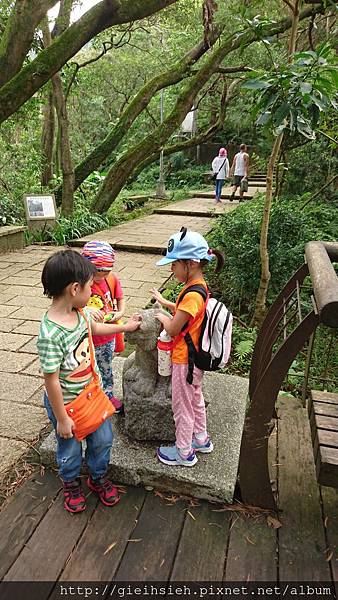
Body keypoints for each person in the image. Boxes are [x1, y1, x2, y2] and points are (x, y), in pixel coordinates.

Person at [37, 249, 141, 513]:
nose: (92, 292)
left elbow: (94, 329)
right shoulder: (51, 333)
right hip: (68, 404)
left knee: (103, 438)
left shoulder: (80, 313)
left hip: (92, 394)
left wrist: (124, 328)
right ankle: (71, 481)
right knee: (69, 447)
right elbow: (50, 381)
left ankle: (97, 476)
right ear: (74, 288)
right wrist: (61, 418)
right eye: (90, 287)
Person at [150, 228, 224, 467]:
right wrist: (166, 302)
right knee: (195, 399)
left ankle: (184, 452)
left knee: (182, 406)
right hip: (195, 358)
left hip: (184, 359)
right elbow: (187, 313)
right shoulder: (198, 285)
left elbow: (173, 329)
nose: (171, 270)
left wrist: (161, 316)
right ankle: (201, 439)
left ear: (190, 264)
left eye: (174, 264)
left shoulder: (192, 293)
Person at [82, 240, 125, 414]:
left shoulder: (111, 279)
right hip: (89, 338)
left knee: (106, 366)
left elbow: (120, 298)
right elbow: (70, 306)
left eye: (106, 272)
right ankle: (89, 399)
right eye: (98, 272)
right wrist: (87, 309)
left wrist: (120, 313)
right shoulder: (81, 284)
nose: (102, 276)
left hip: (108, 336)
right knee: (88, 369)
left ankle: (107, 395)